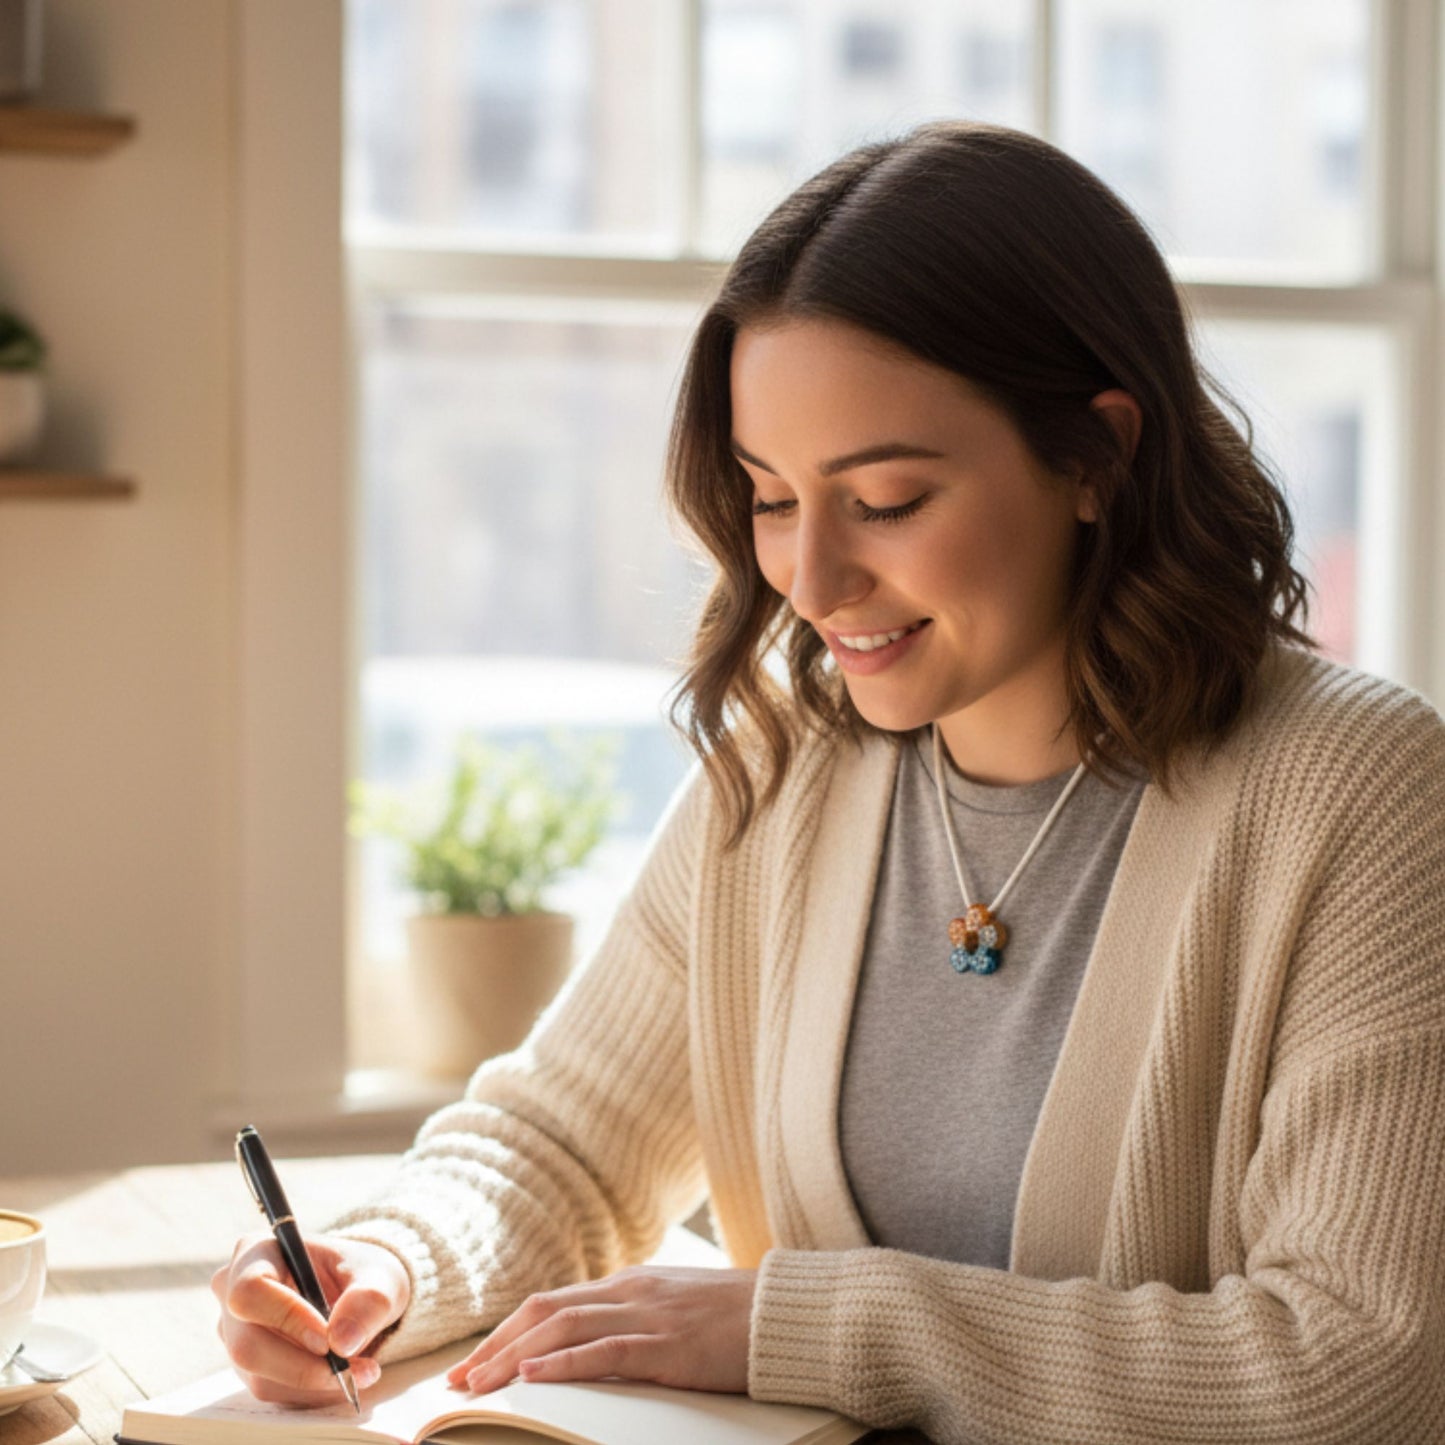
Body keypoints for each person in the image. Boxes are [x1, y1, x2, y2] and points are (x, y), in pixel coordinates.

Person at [211, 120, 1445, 1444]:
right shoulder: (784, 765)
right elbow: (564, 1144)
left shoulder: (1366, 796)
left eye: (888, 499)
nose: (808, 581)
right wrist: (384, 1261)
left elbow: (1358, 1366)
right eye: (771, 497)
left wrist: (802, 1325)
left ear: (1096, 457)